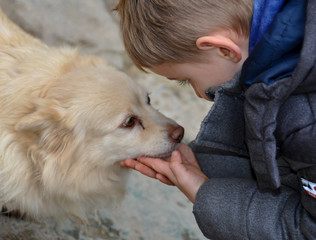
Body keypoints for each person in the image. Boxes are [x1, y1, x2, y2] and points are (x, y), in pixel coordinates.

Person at [114, 0, 316, 239]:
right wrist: (208, 165)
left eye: (186, 79)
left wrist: (203, 193)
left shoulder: (304, 125)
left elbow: (307, 230)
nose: (198, 94)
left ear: (224, 50)